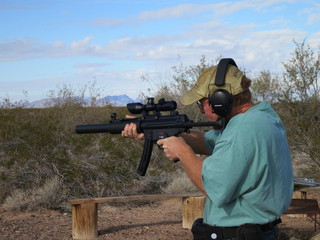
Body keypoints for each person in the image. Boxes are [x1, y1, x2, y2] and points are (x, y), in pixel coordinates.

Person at [122, 59, 294, 240]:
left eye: (202, 102)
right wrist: (160, 133)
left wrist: (182, 151)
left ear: (219, 100)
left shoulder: (244, 128)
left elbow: (212, 187)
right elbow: (208, 141)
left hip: (239, 234)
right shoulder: (259, 117)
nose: (202, 110)